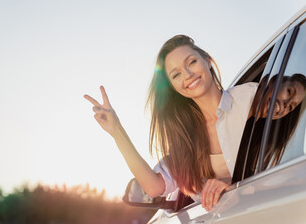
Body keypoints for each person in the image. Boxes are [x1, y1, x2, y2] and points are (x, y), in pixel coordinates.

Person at [84, 35, 257, 211]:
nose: (188, 75)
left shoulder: (249, 98)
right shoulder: (186, 142)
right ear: (173, 87)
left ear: (207, 60)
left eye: (191, 62)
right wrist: (116, 130)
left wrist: (234, 190)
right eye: (176, 74)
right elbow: (153, 188)